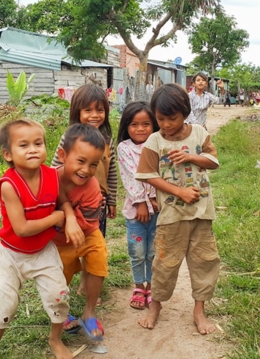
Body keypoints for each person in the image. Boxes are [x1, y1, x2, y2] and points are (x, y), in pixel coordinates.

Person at [0, 118, 83, 359]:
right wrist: (56, 217)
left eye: (38, 143)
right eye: (23, 145)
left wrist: (71, 218)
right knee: (4, 303)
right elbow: (22, 228)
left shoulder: (52, 175)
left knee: (59, 296)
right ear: (8, 154)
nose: (33, 149)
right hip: (13, 254)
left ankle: (55, 340)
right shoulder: (9, 185)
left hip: (44, 250)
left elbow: (63, 201)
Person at [135, 83, 221, 335]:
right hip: (172, 216)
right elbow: (148, 175)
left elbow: (214, 162)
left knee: (205, 261)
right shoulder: (155, 140)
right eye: (160, 119)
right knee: (164, 263)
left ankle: (199, 311)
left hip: (202, 213)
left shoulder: (199, 133)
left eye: (171, 118)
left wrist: (192, 157)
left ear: (184, 113)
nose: (166, 124)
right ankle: (155, 307)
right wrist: (179, 191)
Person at [52, 84, 117, 308]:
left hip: (96, 206)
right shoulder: (69, 139)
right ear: (77, 112)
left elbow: (112, 172)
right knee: (71, 245)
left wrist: (112, 199)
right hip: (69, 203)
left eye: (100, 110)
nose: (94, 115)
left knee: (92, 245)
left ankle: (87, 284)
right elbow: (54, 173)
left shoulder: (107, 140)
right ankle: (65, 284)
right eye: (87, 110)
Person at [54, 123, 108, 341]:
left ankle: (89, 311)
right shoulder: (49, 179)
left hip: (88, 234)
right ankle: (61, 314)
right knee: (58, 279)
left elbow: (86, 225)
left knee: (98, 262)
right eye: (80, 161)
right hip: (58, 241)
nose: (86, 170)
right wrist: (65, 217)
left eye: (93, 164)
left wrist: (67, 217)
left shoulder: (93, 187)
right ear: (62, 155)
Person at [117, 101, 160, 310]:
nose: (140, 129)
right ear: (126, 126)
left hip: (159, 209)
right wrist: (142, 202)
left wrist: (154, 198)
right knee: (137, 251)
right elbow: (132, 177)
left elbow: (159, 173)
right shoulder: (124, 148)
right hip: (135, 211)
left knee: (154, 251)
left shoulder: (159, 144)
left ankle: (151, 286)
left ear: (154, 125)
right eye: (134, 124)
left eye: (146, 124)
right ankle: (138, 286)